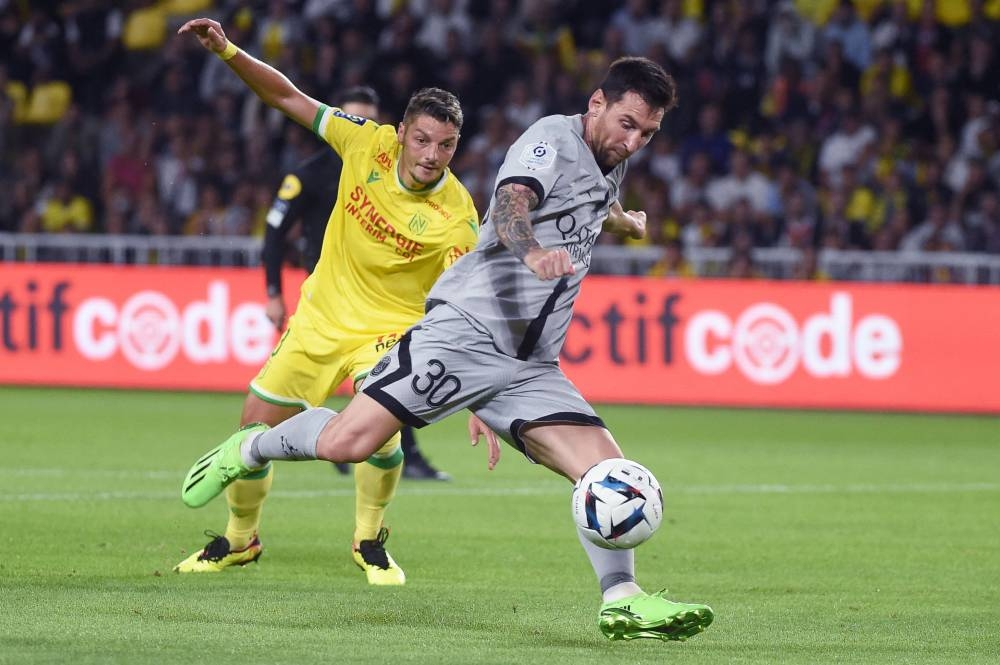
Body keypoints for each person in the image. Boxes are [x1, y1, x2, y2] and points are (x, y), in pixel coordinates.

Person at [180, 53, 714, 642]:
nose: (634, 141)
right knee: (347, 443)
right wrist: (532, 252)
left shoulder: (609, 159)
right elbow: (511, 204)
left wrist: (622, 221)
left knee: (608, 473)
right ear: (597, 104)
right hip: (465, 338)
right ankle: (251, 447)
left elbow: (587, 202)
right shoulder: (549, 141)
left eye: (647, 133)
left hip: (530, 364)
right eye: (628, 124)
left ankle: (623, 600)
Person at [175, 19, 480, 585]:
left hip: (388, 334)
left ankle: (368, 539)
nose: (431, 155)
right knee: (248, 433)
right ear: (400, 132)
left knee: (378, 435)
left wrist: (478, 391)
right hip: (320, 318)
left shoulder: (457, 217)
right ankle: (240, 540)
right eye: (421, 139)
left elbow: (464, 305)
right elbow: (288, 97)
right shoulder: (364, 140)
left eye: (445, 145)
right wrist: (228, 51)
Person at [262, 85, 451, 482]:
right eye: (355, 117)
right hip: (329, 295)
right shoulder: (309, 174)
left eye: (370, 119)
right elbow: (275, 232)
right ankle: (332, 441)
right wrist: (273, 292)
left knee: (384, 386)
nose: (363, 125)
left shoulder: (390, 169)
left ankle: (393, 455)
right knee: (328, 387)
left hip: (380, 302)